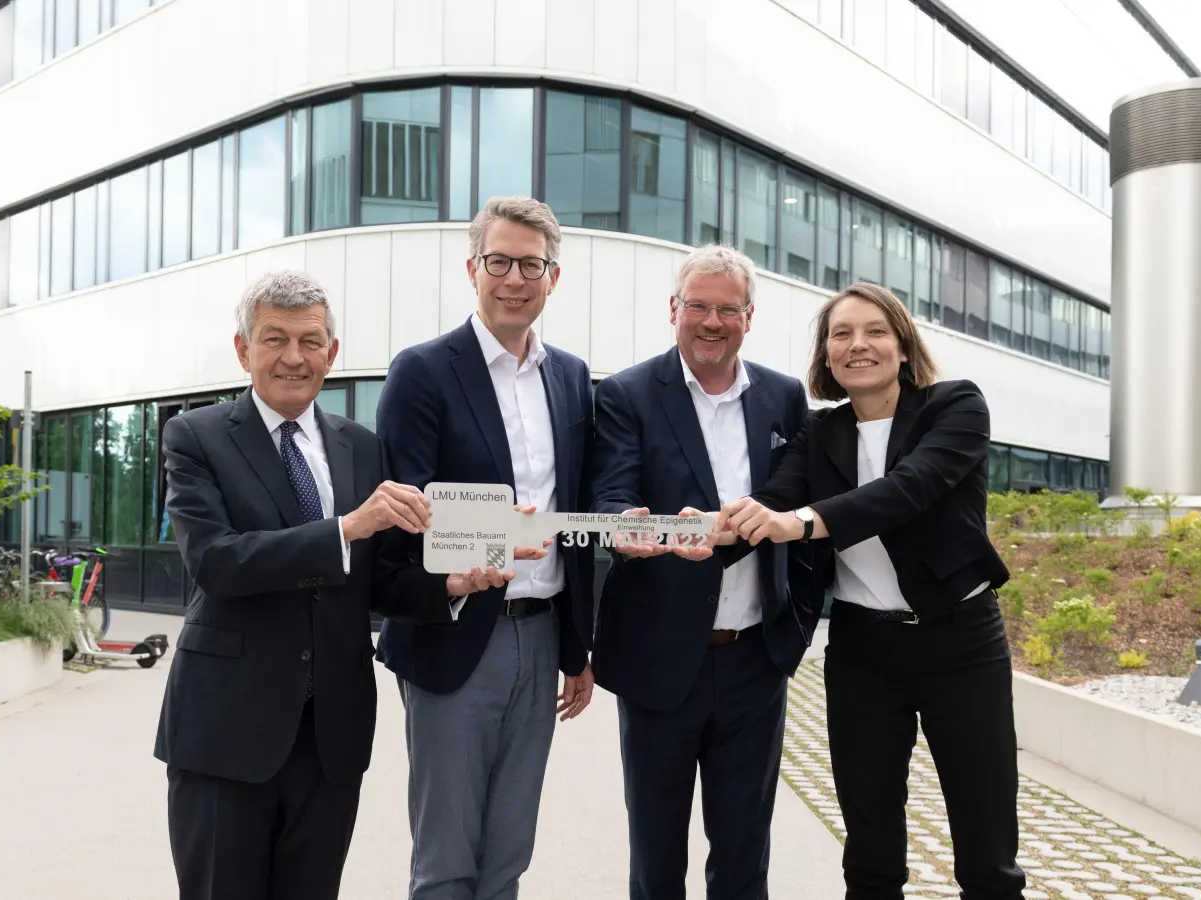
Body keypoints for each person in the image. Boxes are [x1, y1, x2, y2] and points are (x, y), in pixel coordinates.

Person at [154, 270, 462, 900]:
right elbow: (217, 562)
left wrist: (451, 585)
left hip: (331, 737)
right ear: (243, 349)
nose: (294, 357)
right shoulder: (196, 436)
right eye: (274, 339)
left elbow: (374, 582)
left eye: (310, 340)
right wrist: (346, 528)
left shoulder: (364, 448)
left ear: (332, 352)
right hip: (226, 731)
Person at [717, 281, 1025, 900]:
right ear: (827, 356)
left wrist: (799, 523)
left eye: (875, 331)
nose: (858, 345)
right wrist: (690, 529)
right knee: (870, 850)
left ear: (904, 348)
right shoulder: (821, 433)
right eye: (841, 334)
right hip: (862, 653)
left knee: (986, 849)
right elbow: (771, 505)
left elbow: (906, 490)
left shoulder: (956, 407)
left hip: (961, 646)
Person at [374, 196, 597, 900]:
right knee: (445, 862)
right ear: (473, 268)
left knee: (508, 857)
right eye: (498, 261)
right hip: (457, 633)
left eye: (531, 264)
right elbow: (403, 505)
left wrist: (577, 649)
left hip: (542, 631)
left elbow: (579, 511)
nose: (514, 278)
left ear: (552, 277)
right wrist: (490, 536)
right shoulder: (423, 370)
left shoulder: (571, 377)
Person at [589, 244, 821, 900]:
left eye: (727, 309)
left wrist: (794, 633)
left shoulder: (782, 397)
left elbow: (798, 509)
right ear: (673, 310)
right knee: (657, 857)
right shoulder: (628, 394)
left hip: (755, 662)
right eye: (698, 306)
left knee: (745, 854)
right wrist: (639, 533)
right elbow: (609, 498)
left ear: (750, 316)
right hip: (659, 662)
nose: (711, 321)